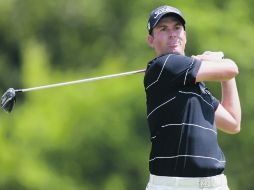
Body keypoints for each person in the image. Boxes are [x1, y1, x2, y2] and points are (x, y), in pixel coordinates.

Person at [144, 5, 241, 190]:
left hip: (214, 184)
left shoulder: (196, 87)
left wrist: (225, 76)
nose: (172, 33)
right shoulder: (164, 65)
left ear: (185, 36)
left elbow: (233, 123)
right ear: (151, 40)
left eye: (177, 27)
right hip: (171, 185)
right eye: (163, 29)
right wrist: (220, 60)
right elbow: (232, 68)